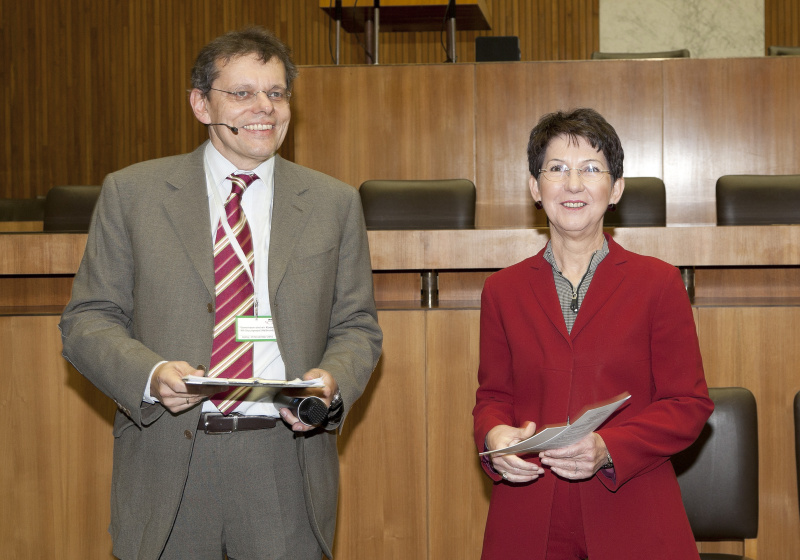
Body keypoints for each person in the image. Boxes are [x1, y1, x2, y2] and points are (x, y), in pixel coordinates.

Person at [59, 26, 382, 560]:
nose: (265, 108)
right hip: (170, 459)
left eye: (276, 93)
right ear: (200, 104)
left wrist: (332, 381)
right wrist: (149, 374)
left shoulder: (334, 203)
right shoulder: (132, 193)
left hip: (284, 460)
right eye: (242, 93)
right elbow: (88, 319)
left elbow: (356, 326)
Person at [472, 107, 713, 559]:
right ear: (534, 188)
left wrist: (609, 447)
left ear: (616, 188)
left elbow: (689, 404)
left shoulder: (658, 284)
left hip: (633, 512)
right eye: (557, 169)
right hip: (529, 516)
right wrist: (493, 437)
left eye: (591, 169)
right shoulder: (501, 290)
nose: (574, 184)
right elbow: (492, 396)